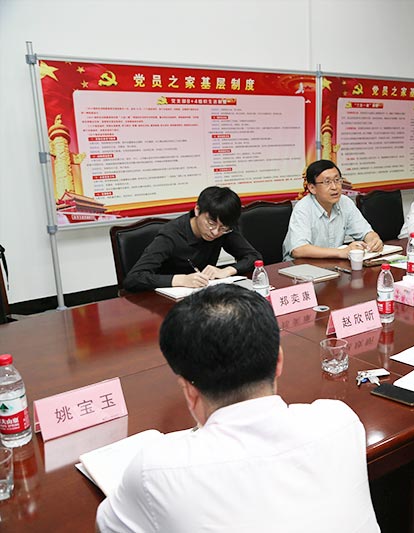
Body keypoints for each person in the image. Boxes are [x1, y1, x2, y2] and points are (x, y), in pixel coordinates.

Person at [96, 284, 379, 532]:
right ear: (279, 361)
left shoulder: (155, 469)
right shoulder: (339, 420)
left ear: (187, 389)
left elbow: (106, 526)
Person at [123, 186, 260, 292]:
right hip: (165, 301)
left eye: (223, 228)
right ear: (197, 210)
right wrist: (182, 280)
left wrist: (226, 270)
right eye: (211, 223)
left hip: (203, 296)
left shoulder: (224, 229)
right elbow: (133, 279)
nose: (215, 232)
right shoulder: (171, 235)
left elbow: (254, 257)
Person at [282, 159, 383, 261]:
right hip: (302, 265)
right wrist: (341, 252)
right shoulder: (303, 208)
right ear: (312, 188)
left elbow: (365, 232)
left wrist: (374, 240)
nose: (334, 187)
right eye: (327, 182)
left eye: (337, 180)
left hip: (332, 263)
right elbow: (298, 249)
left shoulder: (345, 202)